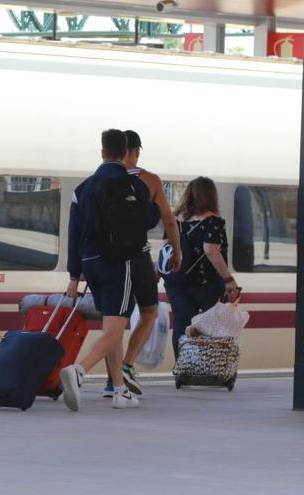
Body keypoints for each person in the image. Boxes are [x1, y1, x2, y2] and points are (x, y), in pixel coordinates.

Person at [60, 129, 161, 411]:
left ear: (102, 152)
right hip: (120, 262)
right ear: (127, 153)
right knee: (115, 328)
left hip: (91, 264)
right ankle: (79, 371)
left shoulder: (83, 188)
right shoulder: (131, 184)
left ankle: (119, 390)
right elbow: (149, 218)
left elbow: (74, 231)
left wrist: (73, 274)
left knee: (111, 325)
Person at [102, 130, 182, 398]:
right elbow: (168, 220)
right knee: (149, 310)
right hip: (138, 255)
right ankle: (126, 365)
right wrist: (177, 251)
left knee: (113, 318)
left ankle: (112, 381)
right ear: (135, 151)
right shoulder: (149, 180)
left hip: (108, 257)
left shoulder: (102, 179)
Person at [163, 177, 239, 359]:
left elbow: (167, 247)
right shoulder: (214, 222)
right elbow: (211, 250)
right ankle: (206, 368)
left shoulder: (175, 221)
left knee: (181, 324)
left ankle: (183, 368)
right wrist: (229, 279)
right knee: (209, 324)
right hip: (207, 283)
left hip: (178, 282)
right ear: (211, 196)